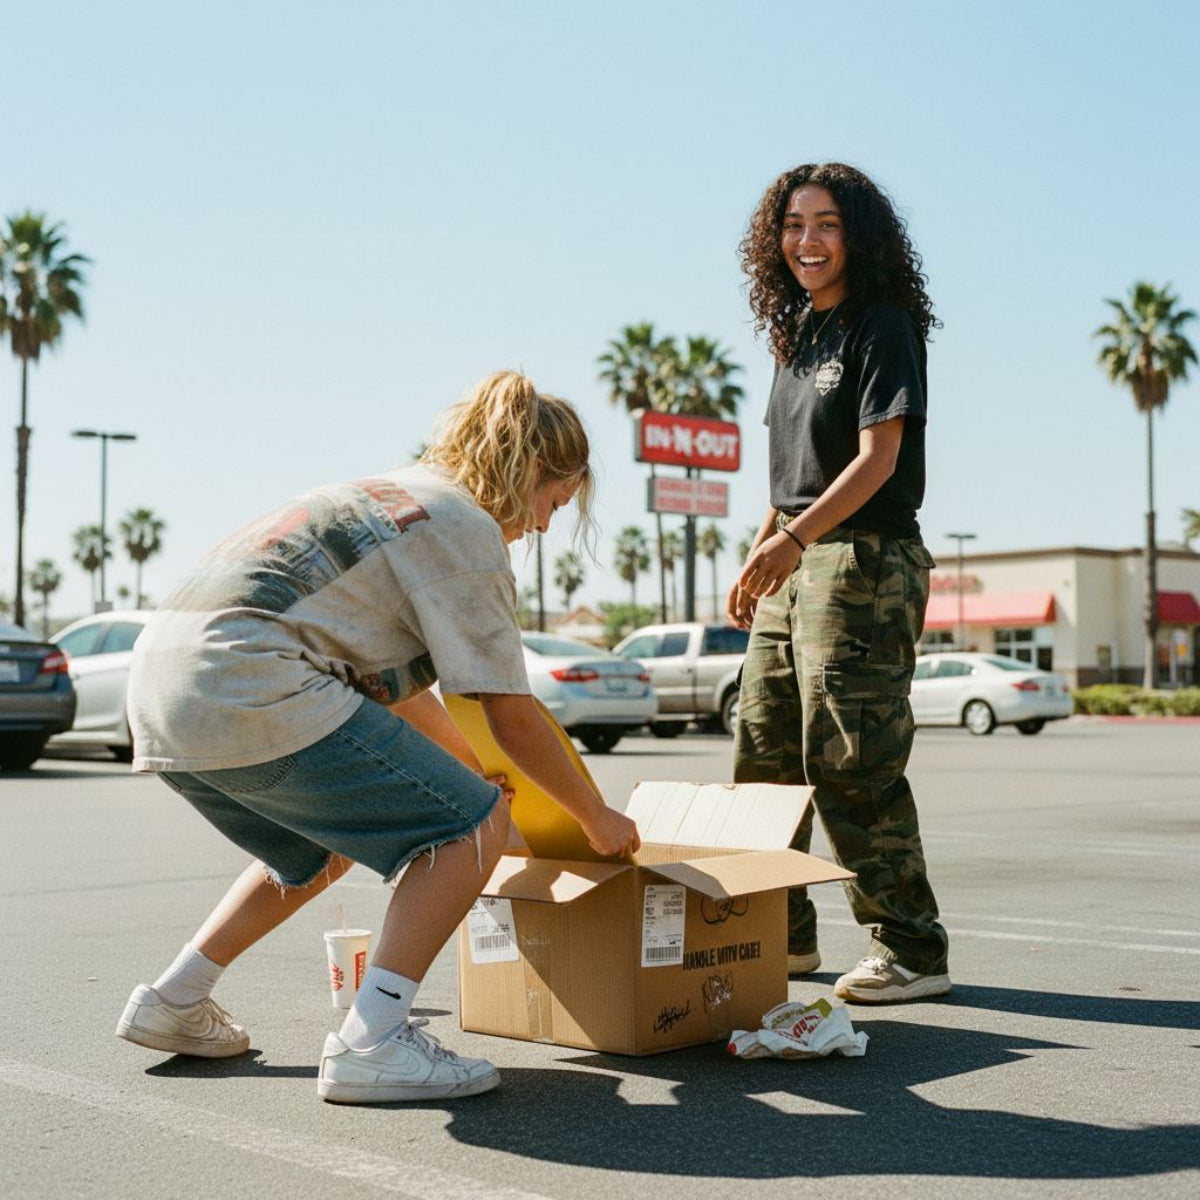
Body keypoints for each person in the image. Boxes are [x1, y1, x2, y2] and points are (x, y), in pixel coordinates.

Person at [115, 370, 640, 1102]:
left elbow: (406, 695)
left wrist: (461, 775)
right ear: (529, 473)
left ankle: (175, 998)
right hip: (250, 680)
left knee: (325, 847)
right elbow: (510, 714)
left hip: (163, 687)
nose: (546, 525)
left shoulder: (387, 497)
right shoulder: (465, 528)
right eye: (554, 501)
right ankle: (375, 1040)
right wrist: (596, 817)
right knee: (477, 827)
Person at [728, 162, 950, 1003]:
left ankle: (912, 950)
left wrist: (790, 540)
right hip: (793, 561)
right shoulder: (794, 340)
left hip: (863, 563)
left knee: (852, 762)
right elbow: (790, 474)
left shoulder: (881, 326)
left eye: (826, 224)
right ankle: (778, 938)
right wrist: (761, 553)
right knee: (764, 759)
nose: (807, 242)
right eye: (792, 225)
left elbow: (876, 460)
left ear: (857, 236)